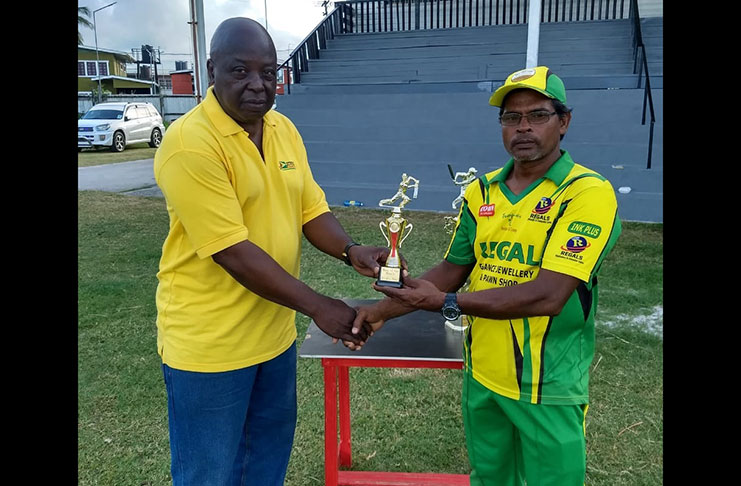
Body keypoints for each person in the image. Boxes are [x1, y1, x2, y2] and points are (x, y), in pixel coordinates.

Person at [351, 66, 622, 486]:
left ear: (564, 121)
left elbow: (549, 295)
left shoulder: (586, 193)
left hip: (546, 384)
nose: (523, 127)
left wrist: (446, 303)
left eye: (538, 115)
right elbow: (452, 270)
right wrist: (382, 311)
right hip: (482, 375)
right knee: (490, 479)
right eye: (511, 117)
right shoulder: (483, 192)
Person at [153, 17, 388, 486]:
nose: (258, 85)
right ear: (211, 69)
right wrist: (319, 306)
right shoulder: (190, 144)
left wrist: (350, 250)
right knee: (209, 475)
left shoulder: (282, 128)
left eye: (269, 72)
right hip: (210, 348)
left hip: (273, 339)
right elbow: (232, 251)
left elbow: (309, 209)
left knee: (264, 466)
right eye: (240, 71)